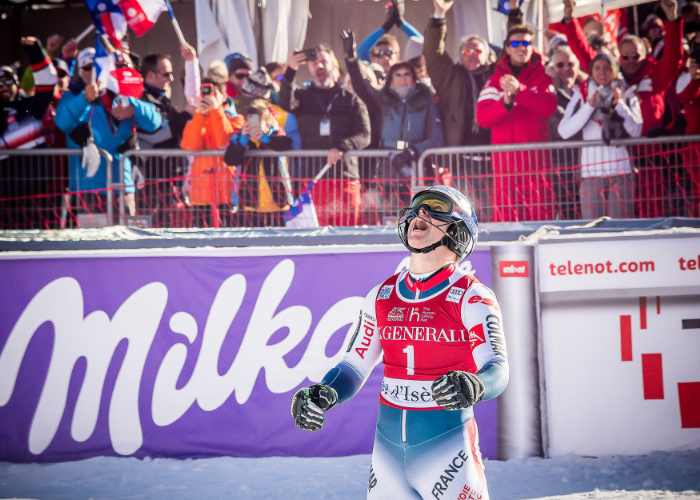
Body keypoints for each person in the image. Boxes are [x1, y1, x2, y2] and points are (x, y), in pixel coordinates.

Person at [291, 185, 508, 500]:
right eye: (416, 207)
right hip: (387, 457)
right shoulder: (380, 295)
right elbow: (353, 365)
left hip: (449, 454)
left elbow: (498, 369)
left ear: (457, 229)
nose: (420, 212)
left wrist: (476, 384)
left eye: (435, 207)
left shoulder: (473, 295)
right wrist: (324, 392)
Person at [56, 47, 162, 219]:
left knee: (126, 235)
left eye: (97, 67)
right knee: (92, 236)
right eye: (88, 67)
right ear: (80, 71)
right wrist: (84, 98)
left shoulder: (122, 94)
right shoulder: (72, 95)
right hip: (89, 186)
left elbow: (154, 123)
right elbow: (62, 122)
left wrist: (134, 109)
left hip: (122, 185)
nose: (94, 72)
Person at [280, 44, 371, 226]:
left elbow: (364, 134)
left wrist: (342, 147)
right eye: (314, 63)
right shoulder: (302, 97)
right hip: (313, 178)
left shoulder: (351, 99)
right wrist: (291, 69)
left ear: (333, 66)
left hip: (344, 177)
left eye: (324, 62)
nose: (319, 66)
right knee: (315, 235)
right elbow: (284, 102)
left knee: (346, 234)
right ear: (309, 68)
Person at [476, 25, 558, 222]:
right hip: (506, 168)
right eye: (515, 43)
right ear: (507, 48)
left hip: (537, 166)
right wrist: (505, 103)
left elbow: (549, 108)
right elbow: (482, 119)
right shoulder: (495, 81)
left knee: (540, 221)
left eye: (526, 43)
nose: (522, 47)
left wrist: (519, 92)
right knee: (506, 223)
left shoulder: (543, 78)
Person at [558, 53, 643, 219]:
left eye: (607, 68)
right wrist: (589, 105)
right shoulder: (581, 95)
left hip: (620, 172)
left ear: (614, 71)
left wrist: (619, 105)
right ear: (591, 72)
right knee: (593, 227)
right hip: (591, 173)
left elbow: (636, 131)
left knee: (620, 227)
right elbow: (564, 131)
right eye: (597, 68)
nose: (602, 72)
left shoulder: (627, 94)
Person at [1, 37, 58, 229]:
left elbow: (48, 83)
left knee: (39, 237)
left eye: (8, 81)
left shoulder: (29, 106)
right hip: (5, 190)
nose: (4, 87)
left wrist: (35, 51)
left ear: (17, 83)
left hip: (35, 184)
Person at [136, 49, 196, 226]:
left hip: (170, 176)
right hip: (151, 178)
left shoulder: (162, 97)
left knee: (171, 226)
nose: (171, 78)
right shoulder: (141, 100)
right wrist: (185, 115)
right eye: (166, 74)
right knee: (149, 229)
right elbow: (156, 134)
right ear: (150, 75)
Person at [180, 75, 244, 227]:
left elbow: (224, 143)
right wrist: (200, 114)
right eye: (205, 93)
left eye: (213, 94)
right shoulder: (195, 119)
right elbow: (192, 146)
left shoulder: (236, 119)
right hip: (200, 194)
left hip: (226, 193)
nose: (208, 97)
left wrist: (216, 111)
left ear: (224, 97)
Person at [223, 99, 293, 227]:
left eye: (257, 121)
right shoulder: (239, 137)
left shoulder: (275, 133)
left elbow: (287, 143)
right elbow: (230, 160)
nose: (252, 125)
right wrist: (242, 142)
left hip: (278, 200)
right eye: (249, 121)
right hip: (250, 201)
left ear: (265, 122)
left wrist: (266, 139)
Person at [548, 47, 585, 219]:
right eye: (560, 65)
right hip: (563, 166)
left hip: (588, 162)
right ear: (552, 68)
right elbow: (559, 128)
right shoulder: (550, 91)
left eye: (571, 64)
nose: (566, 69)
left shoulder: (586, 89)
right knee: (569, 216)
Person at [358, 0, 424, 72]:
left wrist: (402, 23)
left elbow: (423, 46)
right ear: (373, 58)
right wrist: (385, 27)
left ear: (397, 56)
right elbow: (361, 52)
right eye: (379, 54)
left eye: (388, 53)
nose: (385, 58)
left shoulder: (407, 73)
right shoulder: (370, 74)